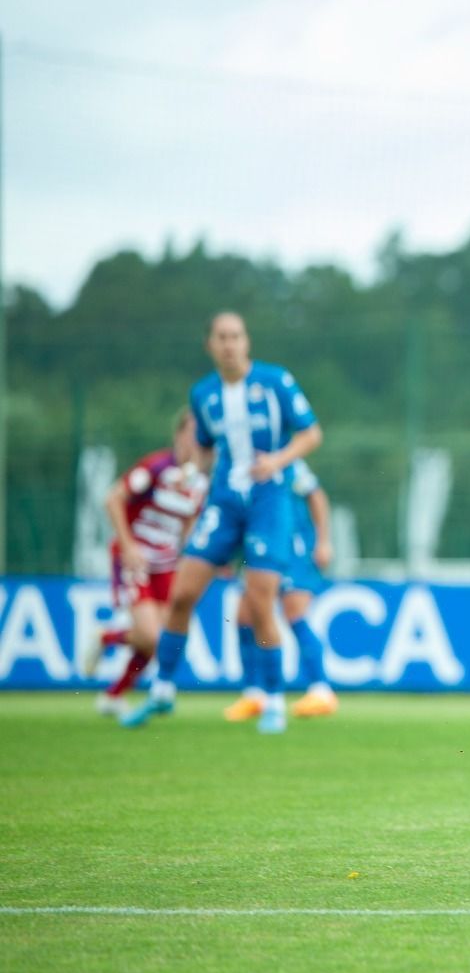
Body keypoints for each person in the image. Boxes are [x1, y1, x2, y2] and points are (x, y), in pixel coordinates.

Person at [121, 311, 322, 735]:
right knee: (182, 595)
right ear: (210, 345)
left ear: (246, 342)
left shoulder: (274, 381)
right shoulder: (203, 394)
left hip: (269, 501)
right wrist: (192, 476)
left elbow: (311, 434)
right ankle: (162, 689)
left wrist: (278, 461)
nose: (229, 344)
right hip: (224, 504)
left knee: (260, 602)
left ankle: (272, 699)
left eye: (236, 336)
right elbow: (206, 450)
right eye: (222, 337)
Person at [86, 409, 208, 717]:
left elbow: (188, 524)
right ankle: (107, 638)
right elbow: (113, 498)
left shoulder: (200, 483)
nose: (196, 440)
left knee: (164, 640)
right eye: (191, 432)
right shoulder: (157, 467)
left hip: (167, 564)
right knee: (152, 637)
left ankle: (114, 694)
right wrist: (128, 546)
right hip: (136, 560)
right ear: (178, 434)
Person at [222, 458, 339, 721]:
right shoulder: (238, 463)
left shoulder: (287, 461)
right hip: (259, 550)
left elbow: (316, 496)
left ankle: (321, 690)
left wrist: (323, 541)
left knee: (294, 613)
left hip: (293, 548)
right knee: (244, 617)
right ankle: (254, 694)